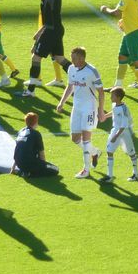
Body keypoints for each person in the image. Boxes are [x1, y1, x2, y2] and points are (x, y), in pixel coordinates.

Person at [21, 0, 72, 97]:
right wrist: (39, 32)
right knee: (60, 58)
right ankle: (81, 79)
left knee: (36, 57)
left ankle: (30, 91)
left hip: (52, 30)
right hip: (54, 29)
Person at [55, 47, 105, 179]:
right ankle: (95, 152)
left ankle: (86, 169)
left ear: (82, 58)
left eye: (74, 58)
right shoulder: (71, 69)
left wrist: (100, 110)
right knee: (75, 139)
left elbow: (101, 91)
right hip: (76, 108)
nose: (71, 61)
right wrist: (62, 102)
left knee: (86, 139)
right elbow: (70, 86)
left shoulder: (92, 71)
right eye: (71, 58)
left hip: (89, 108)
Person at [100, 87, 138, 183]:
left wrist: (115, 136)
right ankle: (109, 176)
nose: (111, 97)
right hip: (116, 130)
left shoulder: (124, 109)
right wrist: (105, 116)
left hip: (125, 132)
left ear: (118, 97)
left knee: (131, 153)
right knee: (109, 151)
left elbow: (124, 125)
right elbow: (114, 112)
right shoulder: (115, 105)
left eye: (112, 95)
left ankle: (136, 174)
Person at [12, 112, 59, 178]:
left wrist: (13, 167)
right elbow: (41, 153)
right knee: (55, 169)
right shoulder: (36, 134)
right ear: (36, 122)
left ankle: (24, 171)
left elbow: (18, 149)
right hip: (29, 163)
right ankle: (28, 173)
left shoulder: (21, 131)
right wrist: (44, 166)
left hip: (19, 163)